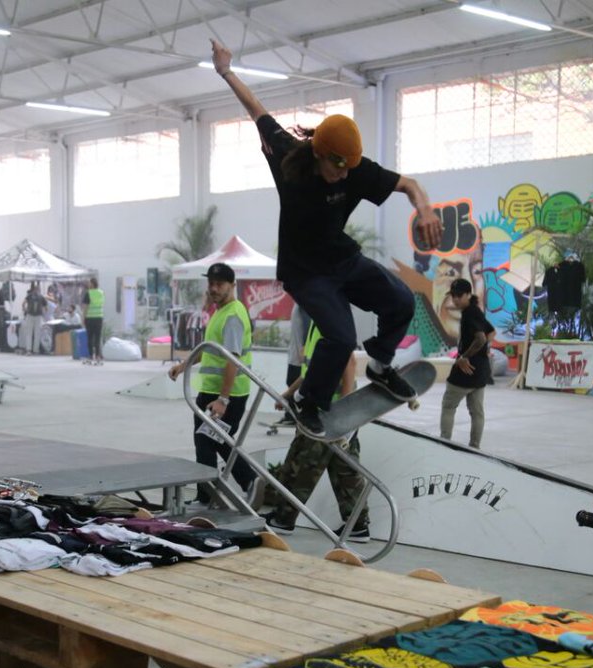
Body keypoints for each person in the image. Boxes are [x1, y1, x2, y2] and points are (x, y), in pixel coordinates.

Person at [211, 39, 442, 437]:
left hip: (343, 260)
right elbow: (257, 111)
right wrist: (226, 72)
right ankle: (309, 401)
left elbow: (410, 184)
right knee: (340, 336)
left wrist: (424, 208)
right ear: (319, 153)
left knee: (402, 300)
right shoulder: (287, 156)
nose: (345, 176)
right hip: (305, 273)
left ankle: (380, 366)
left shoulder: (355, 169)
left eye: (349, 169)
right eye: (338, 168)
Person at [265, 321, 370, 543]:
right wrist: (289, 393)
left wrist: (344, 409)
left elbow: (349, 362)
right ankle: (358, 525)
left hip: (327, 410)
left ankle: (283, 518)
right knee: (343, 465)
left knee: (301, 460)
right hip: (329, 407)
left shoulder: (327, 320)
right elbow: (313, 369)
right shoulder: (317, 322)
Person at [168, 263, 258, 506]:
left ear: (232, 285)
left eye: (220, 284)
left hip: (227, 396)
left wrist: (224, 399)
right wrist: (184, 365)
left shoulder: (233, 316)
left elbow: (232, 360)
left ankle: (214, 494)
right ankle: (247, 482)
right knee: (214, 440)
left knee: (209, 441)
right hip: (209, 392)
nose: (214, 289)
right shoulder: (220, 311)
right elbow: (208, 350)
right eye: (211, 284)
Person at [439, 278, 495, 449]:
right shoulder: (475, 311)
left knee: (448, 405)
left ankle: (443, 442)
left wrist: (464, 357)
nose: (455, 299)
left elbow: (481, 338)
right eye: (453, 295)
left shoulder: (470, 313)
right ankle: (474, 447)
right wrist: (485, 349)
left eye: (459, 295)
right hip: (481, 371)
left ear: (468, 295)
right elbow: (491, 332)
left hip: (467, 370)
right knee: (477, 412)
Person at [81, 277, 105, 365]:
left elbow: (85, 307)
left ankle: (91, 356)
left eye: (89, 283)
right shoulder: (101, 293)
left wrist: (83, 318)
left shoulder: (89, 293)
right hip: (99, 317)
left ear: (92, 284)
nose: (88, 284)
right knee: (98, 338)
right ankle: (98, 356)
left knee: (90, 338)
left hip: (90, 318)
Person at [20, 282, 47, 355]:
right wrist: (44, 312)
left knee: (29, 333)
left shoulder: (29, 296)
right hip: (38, 316)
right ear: (38, 289)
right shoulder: (41, 297)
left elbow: (23, 303)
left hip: (30, 315)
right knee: (37, 333)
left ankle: (29, 350)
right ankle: (35, 350)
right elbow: (45, 306)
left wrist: (24, 309)